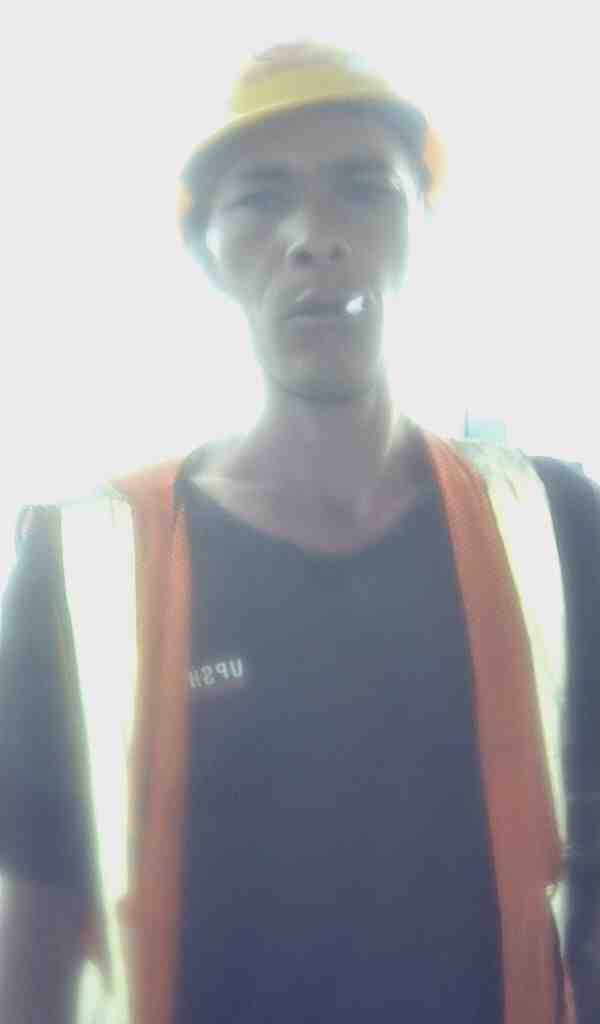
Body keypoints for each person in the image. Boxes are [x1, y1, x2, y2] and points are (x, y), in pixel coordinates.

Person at [0, 38, 598, 1024]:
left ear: (422, 226)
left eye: (363, 189)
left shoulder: (556, 524)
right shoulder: (82, 564)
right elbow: (36, 936)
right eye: (261, 199)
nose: (315, 237)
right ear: (207, 255)